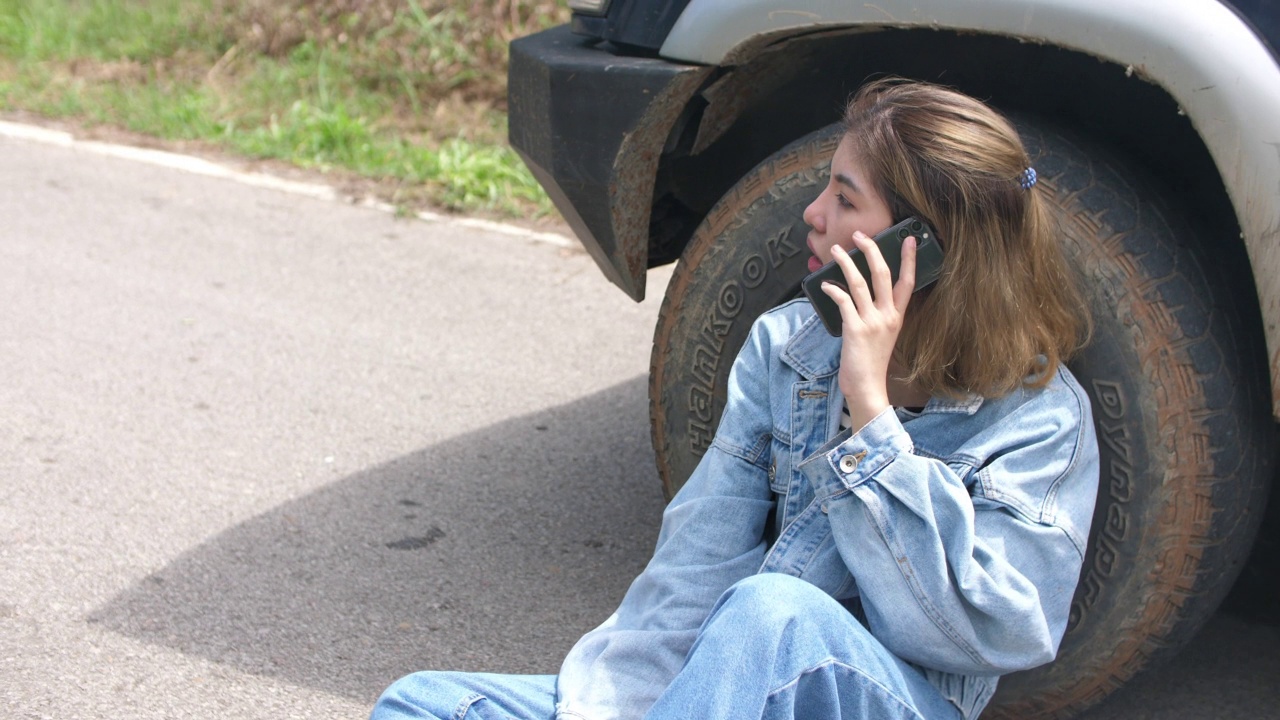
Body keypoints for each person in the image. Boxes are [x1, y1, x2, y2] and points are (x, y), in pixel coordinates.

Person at [371, 78, 1100, 720]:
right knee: (423, 704)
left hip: (887, 699)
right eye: (825, 188)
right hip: (729, 692)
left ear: (925, 245)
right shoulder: (786, 349)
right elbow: (697, 563)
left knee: (770, 613)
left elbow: (1003, 630)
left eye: (845, 199)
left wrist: (871, 416)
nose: (813, 214)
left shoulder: (1042, 421)